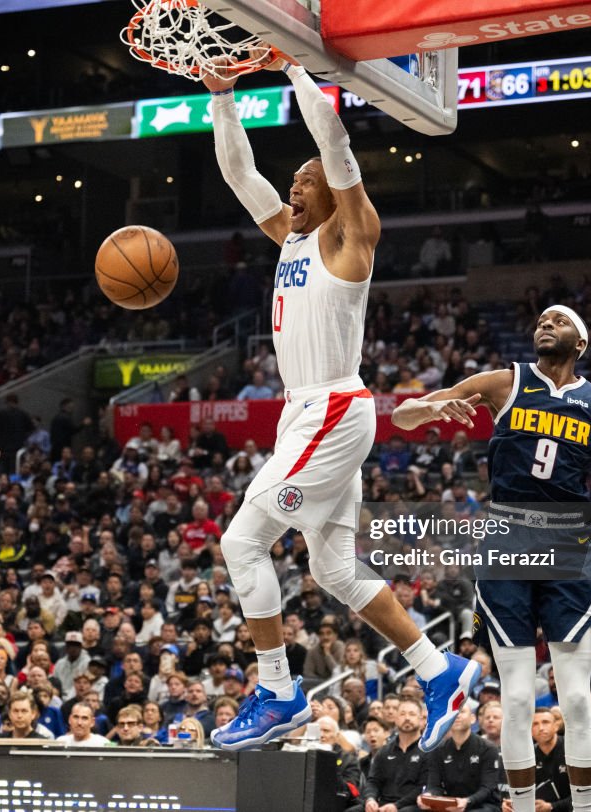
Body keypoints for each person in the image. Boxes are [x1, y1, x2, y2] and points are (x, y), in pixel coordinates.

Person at [202, 52, 480, 752]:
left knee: (242, 542)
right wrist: (221, 97)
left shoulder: (353, 237)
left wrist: (298, 67)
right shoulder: (290, 239)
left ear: (335, 190)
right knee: (333, 570)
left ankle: (277, 690)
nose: (292, 188)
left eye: (304, 181)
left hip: (331, 407)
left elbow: (335, 142)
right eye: (291, 182)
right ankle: (437, 668)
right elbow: (240, 172)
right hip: (308, 414)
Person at [393, 304, 591, 812]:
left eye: (558, 321)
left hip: (567, 551)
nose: (545, 324)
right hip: (505, 543)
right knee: (516, 699)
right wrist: (431, 409)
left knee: (578, 700)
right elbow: (400, 415)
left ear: (579, 344)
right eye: (540, 320)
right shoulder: (503, 382)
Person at [351, 700, 431, 812]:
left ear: (422, 720)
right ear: (396, 719)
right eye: (402, 714)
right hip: (383, 804)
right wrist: (370, 799)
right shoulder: (384, 751)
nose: (407, 718)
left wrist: (396, 806)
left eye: (412, 714)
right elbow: (373, 781)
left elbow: (423, 787)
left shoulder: (429, 750)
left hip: (411, 806)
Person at [418, 704, 501, 812]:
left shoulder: (488, 748)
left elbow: (488, 788)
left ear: (472, 719)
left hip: (483, 804)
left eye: (461, 712)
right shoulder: (438, 750)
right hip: (451, 804)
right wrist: (428, 796)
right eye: (453, 713)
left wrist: (467, 801)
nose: (457, 716)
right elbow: (434, 785)